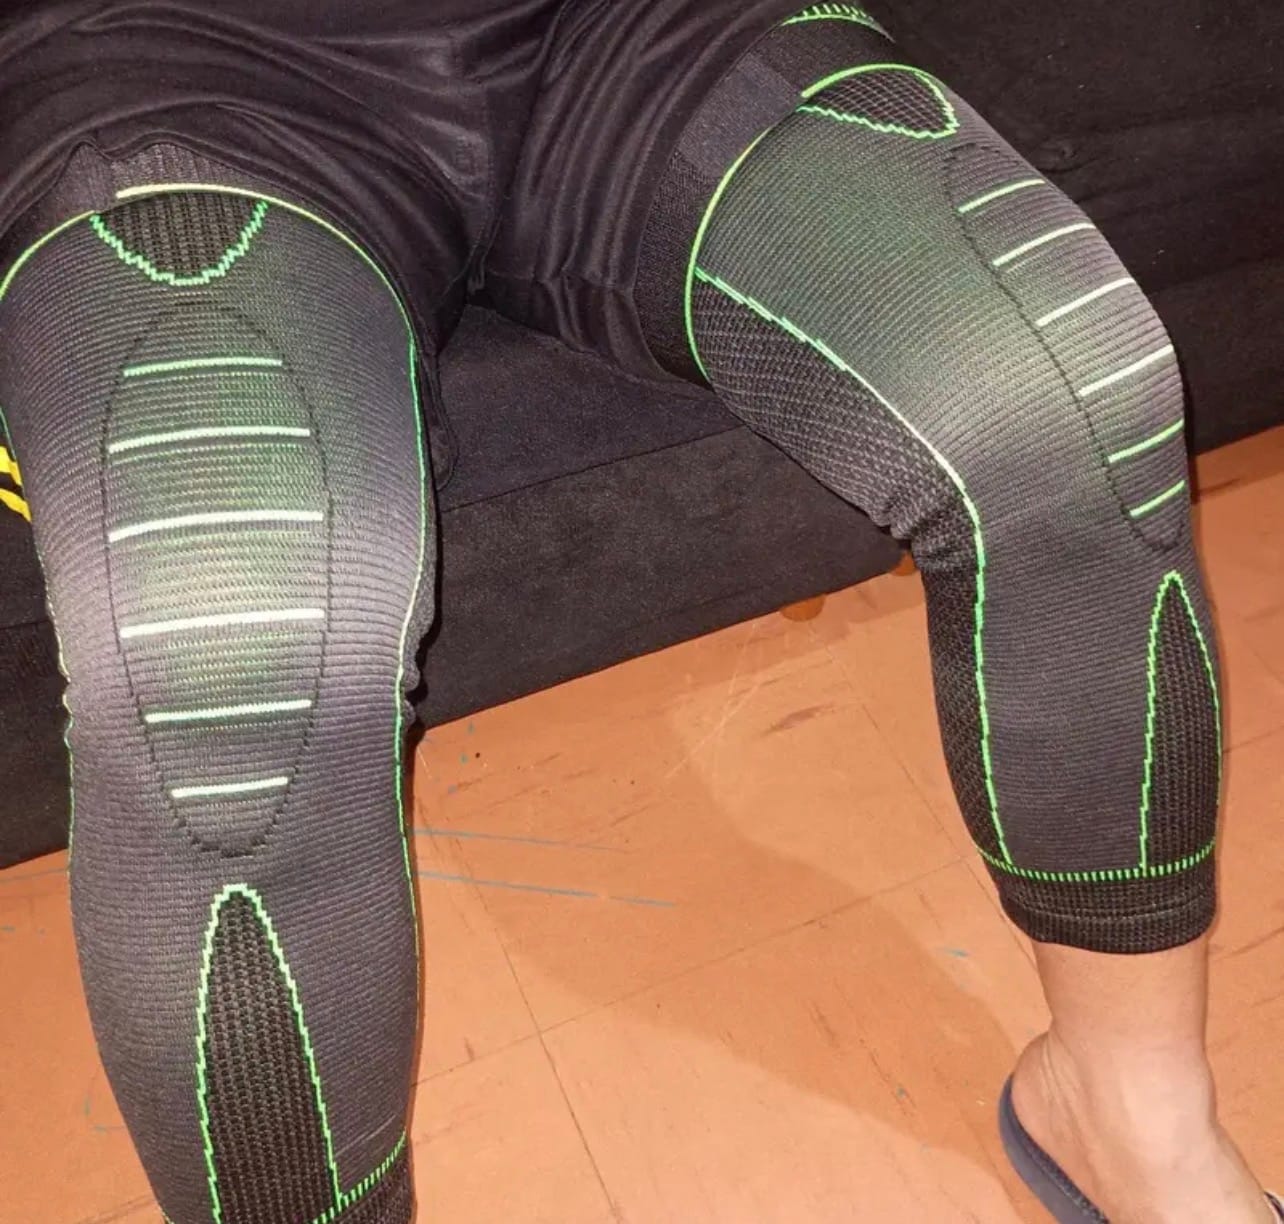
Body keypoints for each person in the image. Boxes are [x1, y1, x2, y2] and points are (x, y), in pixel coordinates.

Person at [0, 3, 1276, 1221]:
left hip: (617, 35)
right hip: (162, 69)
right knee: (223, 654)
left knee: (1062, 390)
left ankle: (1125, 1110)